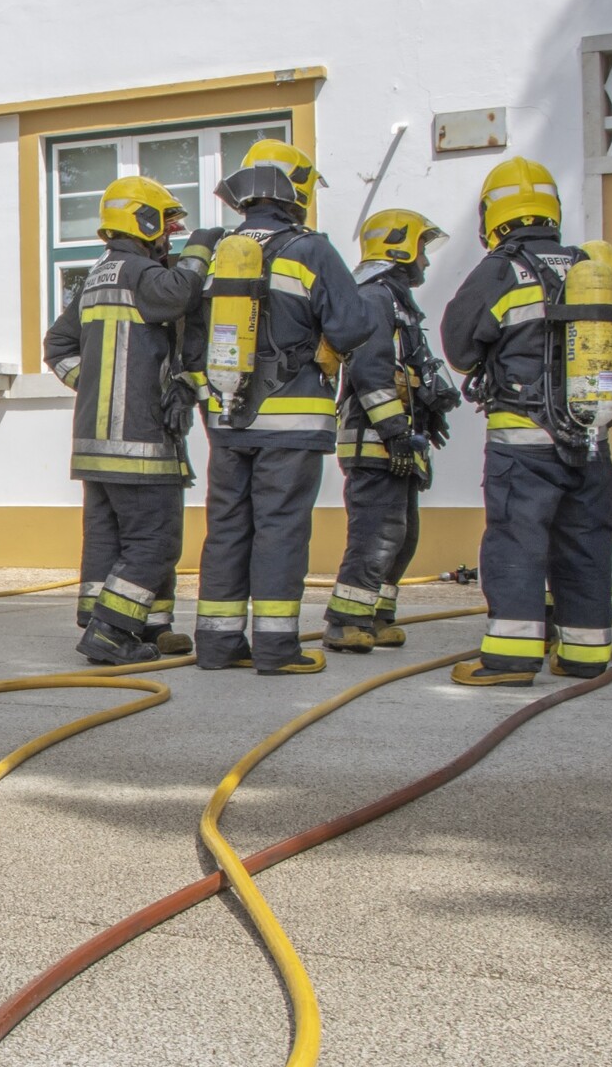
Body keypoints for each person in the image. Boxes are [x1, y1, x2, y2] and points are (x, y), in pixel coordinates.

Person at [184, 139, 375, 675]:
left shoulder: (220, 251)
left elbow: (191, 338)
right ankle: (276, 648)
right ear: (298, 191)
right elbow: (354, 325)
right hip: (292, 418)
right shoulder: (310, 249)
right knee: (280, 528)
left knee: (226, 528)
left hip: (228, 417)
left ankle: (218, 646)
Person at [441, 155, 612, 686]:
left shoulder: (502, 269)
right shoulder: (591, 268)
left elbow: (459, 347)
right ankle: (586, 657)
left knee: (517, 541)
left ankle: (509, 659)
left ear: (491, 216)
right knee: (586, 542)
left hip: (523, 441)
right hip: (590, 437)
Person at [44, 176, 203, 664]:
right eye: (166, 228)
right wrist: (201, 250)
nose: (169, 239)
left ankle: (146, 627)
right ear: (145, 222)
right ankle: (111, 634)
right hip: (139, 438)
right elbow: (181, 293)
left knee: (110, 537)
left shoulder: (96, 277)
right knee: (154, 539)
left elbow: (57, 346)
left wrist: (91, 386)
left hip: (94, 442)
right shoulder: (142, 273)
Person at [325, 208, 458, 651]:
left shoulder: (396, 300)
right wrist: (396, 433)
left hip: (397, 439)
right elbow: (371, 371)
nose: (426, 261)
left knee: (401, 534)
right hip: (375, 440)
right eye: (422, 250)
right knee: (377, 532)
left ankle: (376, 616)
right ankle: (346, 622)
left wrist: (427, 414)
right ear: (399, 248)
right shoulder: (373, 298)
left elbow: (406, 369)